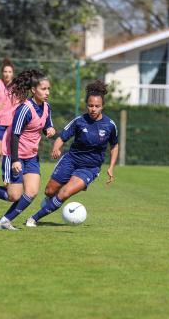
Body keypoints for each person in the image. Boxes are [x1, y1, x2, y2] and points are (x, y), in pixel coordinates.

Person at [25, 80, 119, 227]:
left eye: (97, 106)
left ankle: (33, 219)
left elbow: (115, 145)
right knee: (50, 191)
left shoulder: (110, 125)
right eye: (90, 105)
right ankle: (51, 203)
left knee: (65, 192)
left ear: (103, 106)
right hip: (71, 160)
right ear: (86, 105)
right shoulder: (79, 121)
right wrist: (56, 148)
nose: (93, 109)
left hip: (90, 168)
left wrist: (111, 167)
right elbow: (62, 137)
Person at [0, 69, 55, 230]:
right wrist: (15, 160)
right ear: (33, 90)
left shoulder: (46, 107)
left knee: (31, 192)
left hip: (32, 156)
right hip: (14, 153)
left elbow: (46, 124)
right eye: (43, 89)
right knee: (14, 195)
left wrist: (50, 130)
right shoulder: (24, 109)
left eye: (48, 89)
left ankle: (4, 221)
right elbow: (14, 136)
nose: (47, 92)